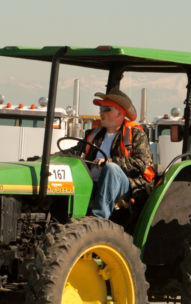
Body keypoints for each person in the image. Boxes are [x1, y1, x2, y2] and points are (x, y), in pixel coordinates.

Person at [55, 88, 154, 219]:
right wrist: (54, 156)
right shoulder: (94, 135)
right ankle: (60, 218)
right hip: (92, 184)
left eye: (106, 108)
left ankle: (99, 219)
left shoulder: (136, 134)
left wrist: (110, 161)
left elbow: (140, 163)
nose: (100, 112)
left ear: (119, 113)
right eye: (100, 108)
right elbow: (75, 152)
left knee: (111, 168)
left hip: (125, 187)